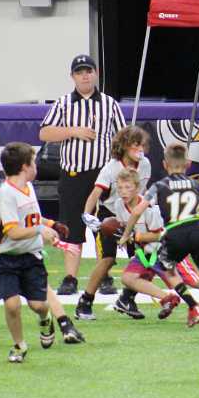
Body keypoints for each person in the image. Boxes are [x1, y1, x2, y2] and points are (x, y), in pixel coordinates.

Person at [120, 143, 199, 342]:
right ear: (188, 164)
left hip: (174, 232)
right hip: (198, 229)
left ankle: (194, 307)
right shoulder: (196, 185)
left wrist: (126, 234)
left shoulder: (159, 186)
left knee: (166, 269)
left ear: (164, 164)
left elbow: (138, 210)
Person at [0, 183, 81, 346]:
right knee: (42, 287)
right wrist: (51, 225)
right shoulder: (13, 192)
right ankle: (65, 325)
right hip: (9, 246)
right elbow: (27, 219)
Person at [0, 142, 84, 363]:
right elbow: (13, 232)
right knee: (12, 305)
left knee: (38, 305)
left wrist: (52, 224)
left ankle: (45, 318)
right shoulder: (6, 194)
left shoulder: (28, 188)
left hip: (31, 257)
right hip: (5, 258)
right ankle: (19, 345)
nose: (36, 166)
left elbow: (32, 218)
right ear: (25, 167)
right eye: (33, 162)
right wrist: (41, 230)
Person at [39, 54, 126, 295]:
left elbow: (123, 136)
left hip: (102, 176)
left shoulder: (109, 103)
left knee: (104, 227)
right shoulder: (63, 103)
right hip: (73, 175)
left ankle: (104, 275)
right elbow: (44, 133)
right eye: (80, 72)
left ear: (96, 73)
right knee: (71, 228)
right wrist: (73, 131)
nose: (85, 76)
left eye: (88, 71)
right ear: (72, 76)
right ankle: (70, 278)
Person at [75, 125, 151, 321]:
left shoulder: (145, 164)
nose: (140, 149)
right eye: (135, 145)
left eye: (142, 145)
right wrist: (87, 215)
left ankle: (127, 298)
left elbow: (141, 194)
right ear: (124, 146)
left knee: (146, 258)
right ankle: (85, 301)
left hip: (133, 214)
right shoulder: (111, 167)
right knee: (107, 259)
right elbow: (96, 193)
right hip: (110, 215)